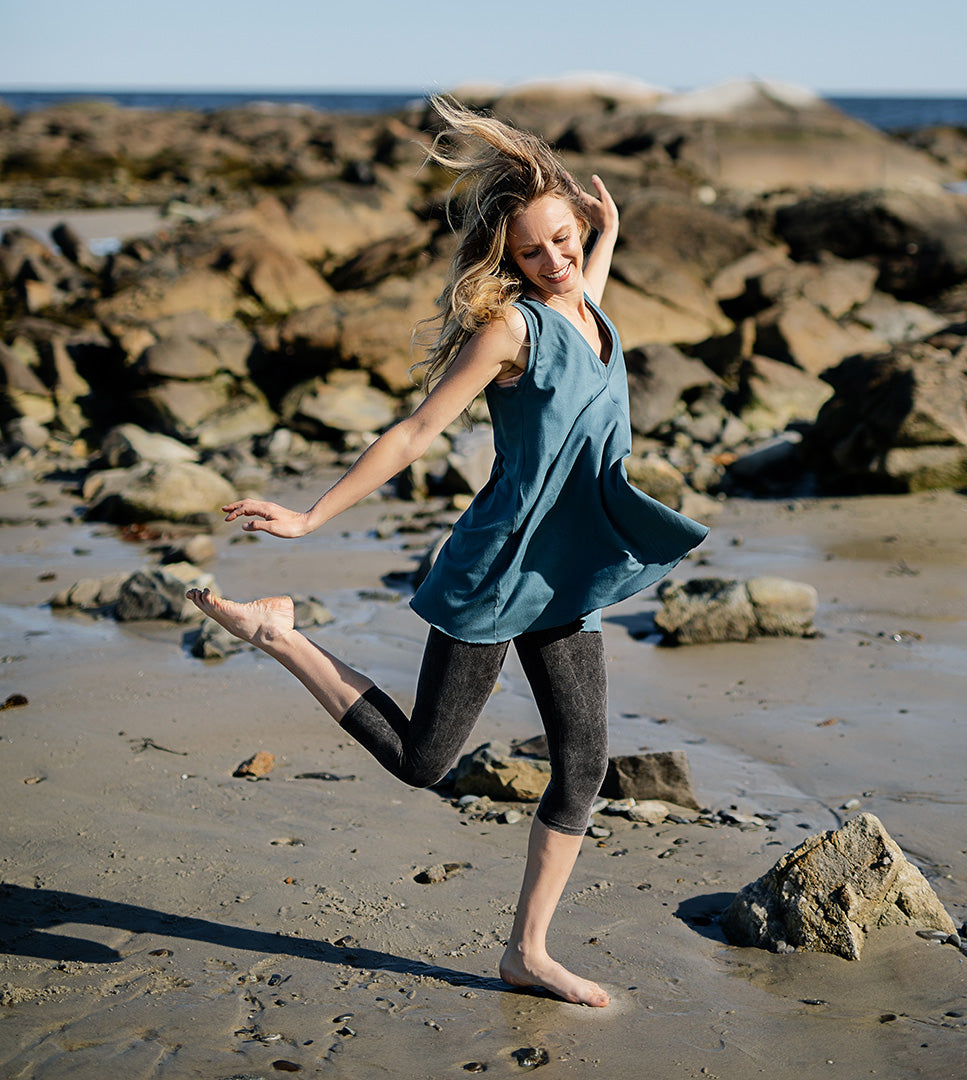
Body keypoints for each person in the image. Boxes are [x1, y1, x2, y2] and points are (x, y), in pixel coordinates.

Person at [186, 96, 708, 1008]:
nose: (556, 259)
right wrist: (310, 518)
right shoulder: (513, 329)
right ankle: (280, 635)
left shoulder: (587, 299)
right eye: (535, 250)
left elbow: (587, 292)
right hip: (500, 563)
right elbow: (417, 427)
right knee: (427, 761)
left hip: (564, 571)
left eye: (565, 238)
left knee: (584, 763)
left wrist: (605, 233)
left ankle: (527, 952)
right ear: (508, 258)